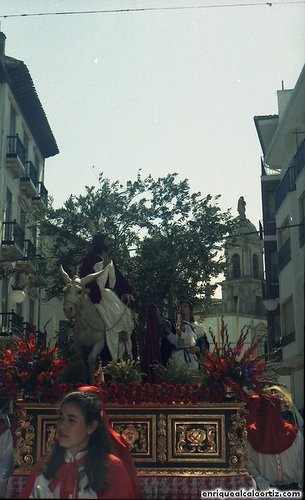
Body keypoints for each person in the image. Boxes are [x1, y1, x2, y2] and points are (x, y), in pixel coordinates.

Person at [20, 387, 141, 499]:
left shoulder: (110, 468)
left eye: (71, 420)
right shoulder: (44, 467)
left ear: (91, 427)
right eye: (60, 418)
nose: (62, 425)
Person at [80, 233, 135, 364]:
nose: (110, 242)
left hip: (110, 295)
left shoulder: (110, 259)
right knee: (112, 315)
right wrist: (102, 265)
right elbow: (87, 275)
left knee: (125, 315)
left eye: (110, 239)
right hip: (97, 295)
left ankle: (124, 345)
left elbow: (119, 277)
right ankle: (115, 336)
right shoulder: (91, 258)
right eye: (107, 239)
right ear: (100, 241)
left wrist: (126, 291)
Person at [246, 394, 303, 491]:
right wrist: (258, 477)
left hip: (294, 489)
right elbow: (247, 461)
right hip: (267, 492)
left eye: (272, 410)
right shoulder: (250, 435)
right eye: (264, 411)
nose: (269, 415)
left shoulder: (294, 433)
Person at [166, 302, 204, 370]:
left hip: (190, 356)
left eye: (185, 306)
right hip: (180, 356)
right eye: (181, 307)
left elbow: (198, 342)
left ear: (190, 310)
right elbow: (177, 342)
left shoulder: (196, 326)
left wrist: (198, 348)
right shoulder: (179, 325)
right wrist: (169, 333)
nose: (183, 308)